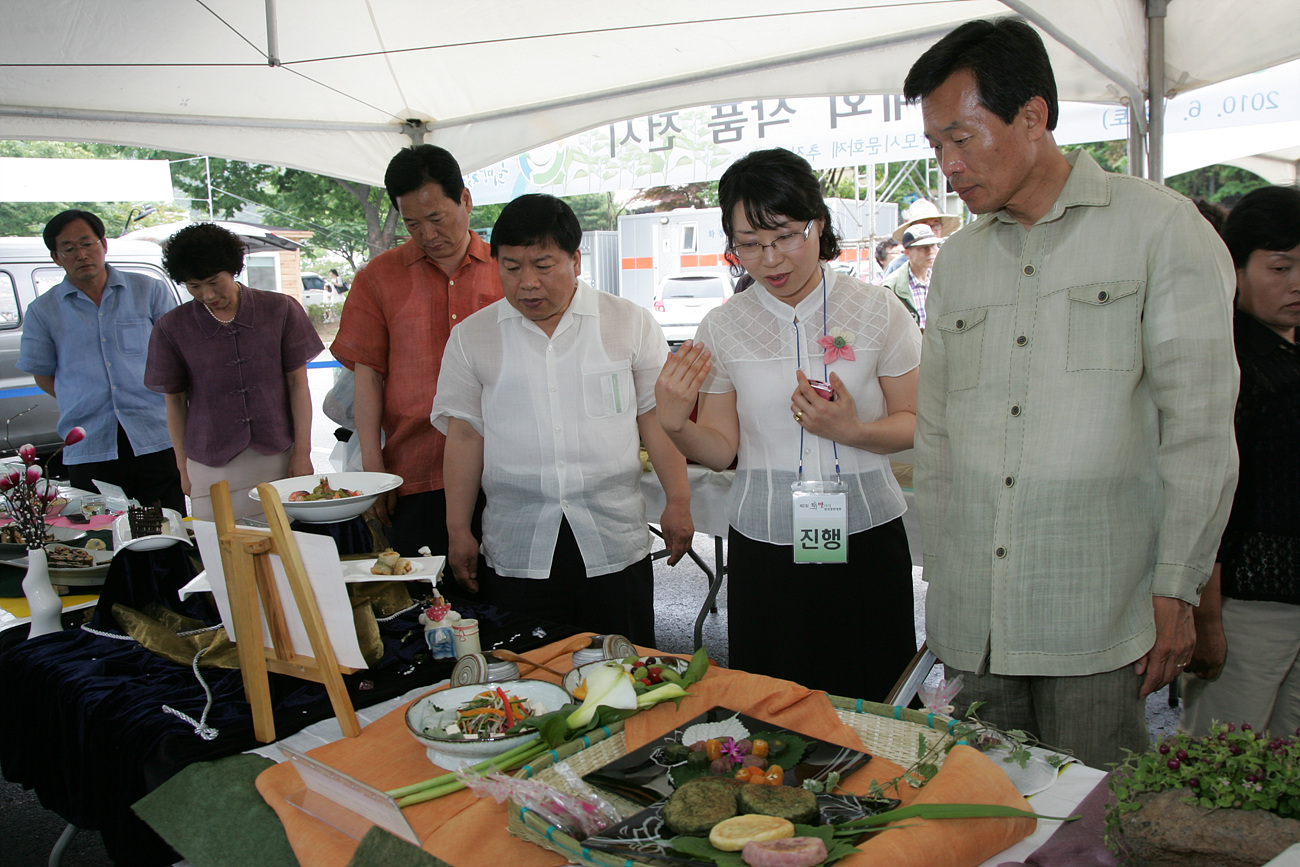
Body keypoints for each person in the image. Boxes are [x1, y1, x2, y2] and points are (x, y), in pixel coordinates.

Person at [905, 18, 1238, 767]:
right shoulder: (958, 262)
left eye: (962, 137)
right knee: (982, 808)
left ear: (1032, 116)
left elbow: (1200, 429)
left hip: (1098, 604)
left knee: (1095, 819)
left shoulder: (1160, 230)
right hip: (976, 616)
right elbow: (937, 438)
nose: (948, 165)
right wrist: (945, 590)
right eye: (935, 146)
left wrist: (1178, 586)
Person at [655, 148, 922, 700]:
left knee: (874, 695)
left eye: (785, 237)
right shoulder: (723, 325)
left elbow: (920, 424)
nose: (771, 259)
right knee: (776, 705)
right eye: (749, 244)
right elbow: (722, 449)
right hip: (767, 543)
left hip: (866, 537)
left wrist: (853, 432)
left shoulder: (877, 309)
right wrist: (676, 423)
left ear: (817, 224)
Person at [431, 195, 693, 644]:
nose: (527, 283)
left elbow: (655, 420)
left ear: (575, 259)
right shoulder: (472, 337)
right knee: (529, 678)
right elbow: (464, 436)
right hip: (518, 541)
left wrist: (679, 500)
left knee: (624, 670)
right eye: (511, 268)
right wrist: (458, 530)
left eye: (543, 265)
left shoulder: (628, 323)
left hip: (612, 536)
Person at [331, 145, 503, 555]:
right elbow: (367, 375)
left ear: (465, 199)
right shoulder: (379, 278)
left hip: (505, 470)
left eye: (436, 219)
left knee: (504, 602)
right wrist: (374, 468)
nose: (427, 235)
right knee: (428, 602)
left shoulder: (507, 269)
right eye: (412, 224)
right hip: (414, 471)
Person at [1182, 185, 1300, 737]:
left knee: (1282, 766)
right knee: (1222, 763)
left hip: (1290, 596)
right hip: (1247, 604)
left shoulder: (1288, 351)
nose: (1296, 284)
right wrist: (1206, 620)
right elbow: (1208, 502)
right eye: (1280, 267)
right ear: (1236, 266)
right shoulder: (1229, 363)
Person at [144, 223, 323, 519]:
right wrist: (182, 466)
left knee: (286, 553)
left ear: (233, 269)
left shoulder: (280, 309)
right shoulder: (171, 327)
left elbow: (298, 385)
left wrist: (302, 452)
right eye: (194, 286)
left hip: (277, 455)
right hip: (209, 461)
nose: (207, 294)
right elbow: (174, 403)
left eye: (215, 282)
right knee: (222, 552)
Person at [18, 210, 185, 514]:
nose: (81, 254)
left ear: (104, 244)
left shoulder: (149, 290)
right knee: (104, 533)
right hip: (90, 442)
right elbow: (42, 374)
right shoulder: (43, 311)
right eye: (69, 248)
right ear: (56, 257)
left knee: (167, 523)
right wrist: (83, 394)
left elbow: (178, 355)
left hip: (155, 434)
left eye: (87, 243)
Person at [882, 223, 943, 327]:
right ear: (907, 252)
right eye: (923, 247)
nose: (930, 252)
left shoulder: (943, 280)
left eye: (933, 246)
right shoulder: (892, 287)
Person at [881, 199, 961, 277]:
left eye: (936, 225)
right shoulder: (897, 266)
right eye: (925, 225)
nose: (931, 230)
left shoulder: (951, 260)